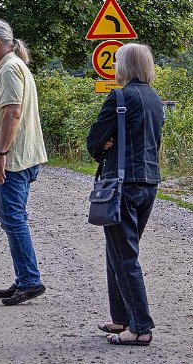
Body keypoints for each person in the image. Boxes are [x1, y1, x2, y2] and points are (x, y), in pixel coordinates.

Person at [87, 43, 164, 346]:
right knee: (117, 252)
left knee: (125, 256)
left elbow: (94, 140)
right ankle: (122, 318)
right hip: (149, 183)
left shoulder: (119, 96)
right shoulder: (155, 99)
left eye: (117, 61)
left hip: (122, 185)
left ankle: (141, 328)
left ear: (125, 66)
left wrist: (105, 144)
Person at [0, 17, 48, 306]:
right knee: (13, 219)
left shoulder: (9, 70)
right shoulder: (12, 66)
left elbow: (12, 113)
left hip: (14, 159)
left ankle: (30, 280)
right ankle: (23, 278)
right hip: (21, 156)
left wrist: (1, 154)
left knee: (13, 219)